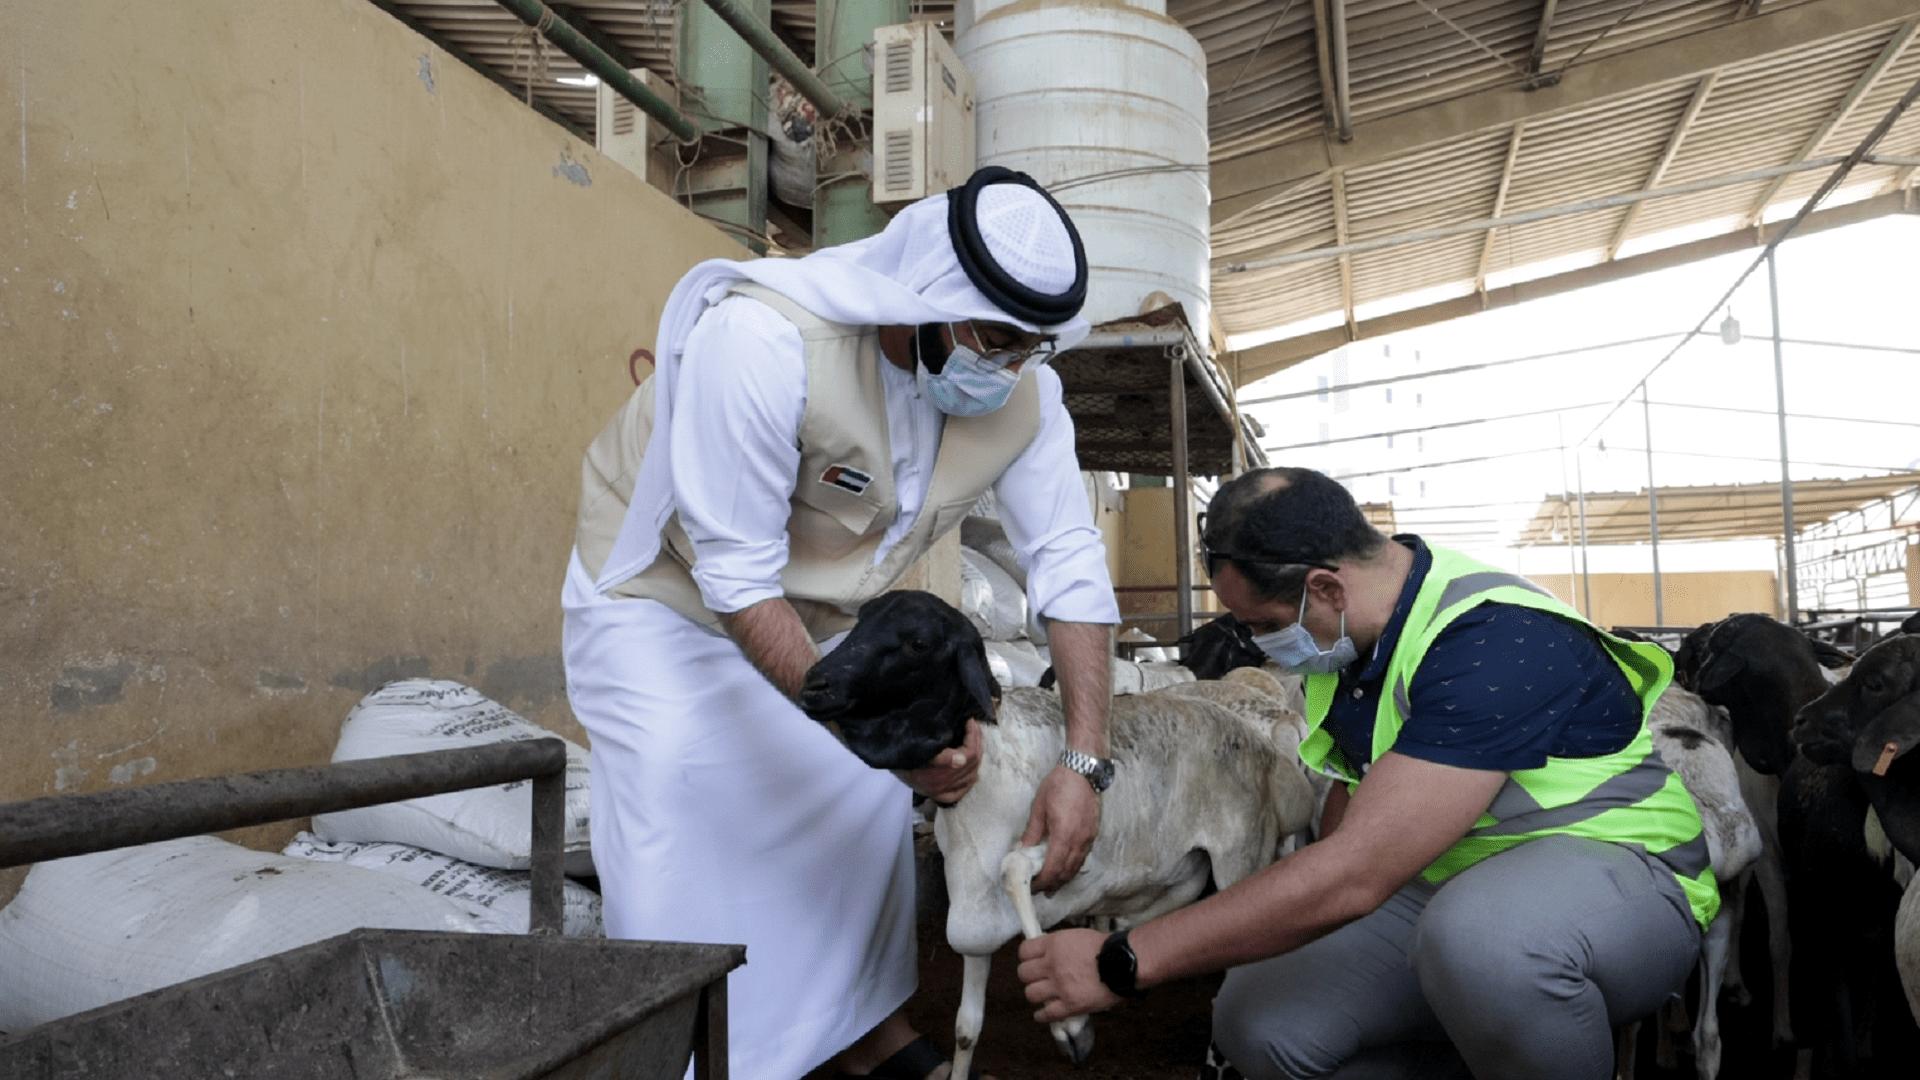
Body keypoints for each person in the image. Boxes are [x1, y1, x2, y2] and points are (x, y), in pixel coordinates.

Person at [561, 166, 1120, 1080]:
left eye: (1032, 347)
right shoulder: (764, 341)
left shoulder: (1025, 399)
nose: (1007, 366)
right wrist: (871, 732)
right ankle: (696, 1056)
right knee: (677, 792)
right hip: (662, 602)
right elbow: (736, 578)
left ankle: (857, 1030)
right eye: (991, 338)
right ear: (921, 299)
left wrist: (1084, 760)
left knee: (853, 801)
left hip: (813, 614)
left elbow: (1066, 559)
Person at [1015, 466, 1717, 1080]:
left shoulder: (1494, 641)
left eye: (1261, 623)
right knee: (1260, 1017)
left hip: (1624, 880)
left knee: (1486, 944)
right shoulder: (1357, 643)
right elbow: (1347, 823)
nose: (1259, 645)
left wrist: (1121, 960)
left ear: (1325, 587)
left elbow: (1355, 874)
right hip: (1446, 885)